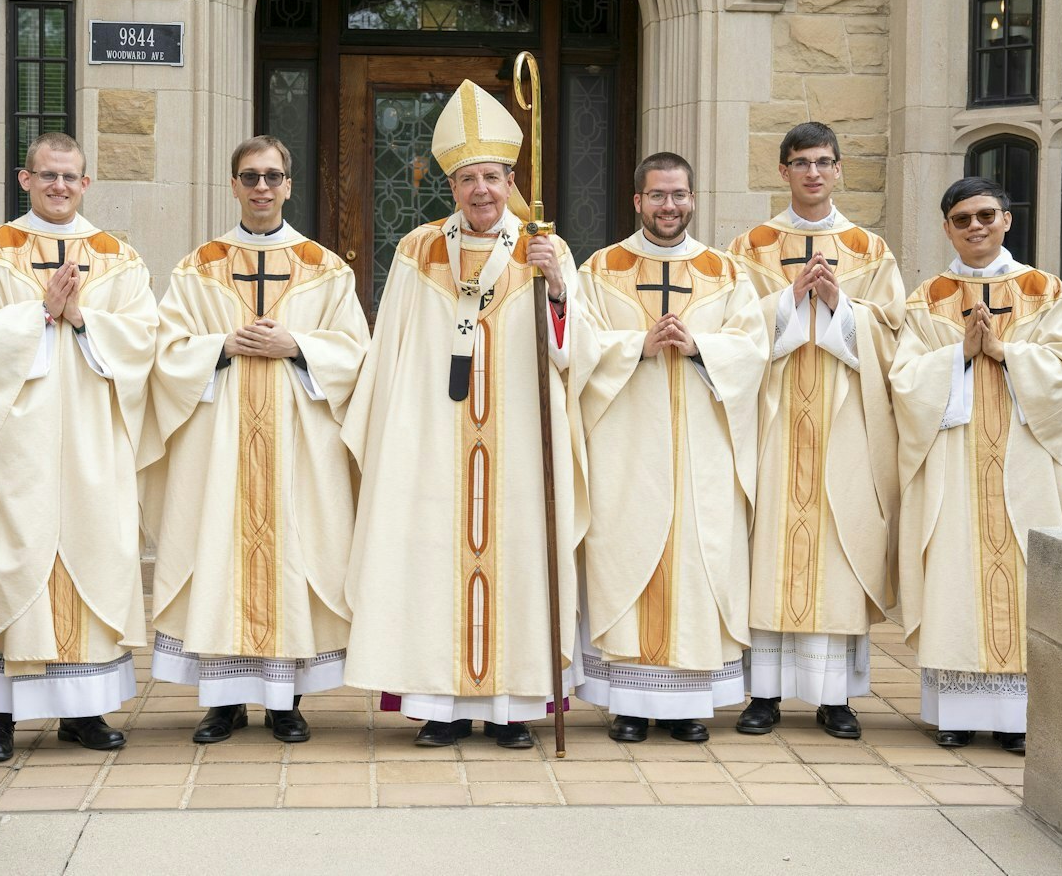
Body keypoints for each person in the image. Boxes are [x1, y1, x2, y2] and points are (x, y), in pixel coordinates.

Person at [341, 80, 581, 750]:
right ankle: (440, 705)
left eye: (494, 177)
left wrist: (557, 287)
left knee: (520, 560)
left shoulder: (543, 247)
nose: (482, 189)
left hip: (519, 446)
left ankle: (511, 710)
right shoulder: (419, 249)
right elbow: (394, 349)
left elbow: (574, 350)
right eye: (469, 177)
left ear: (512, 180)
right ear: (452, 185)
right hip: (436, 443)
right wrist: (398, 436)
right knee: (431, 560)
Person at [0, 131, 158, 763]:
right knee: (13, 554)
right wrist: (37, 312)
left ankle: (84, 711)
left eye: (71, 176)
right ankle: (0, 713)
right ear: (24, 178)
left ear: (87, 183)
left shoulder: (116, 256)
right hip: (14, 441)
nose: (60, 185)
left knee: (95, 548)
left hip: (92, 433)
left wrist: (83, 318)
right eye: (48, 174)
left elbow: (144, 339)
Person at [139, 135, 369, 745]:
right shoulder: (198, 267)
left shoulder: (325, 267)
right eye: (250, 177)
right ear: (234, 185)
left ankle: (286, 701)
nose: (261, 187)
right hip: (219, 448)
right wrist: (220, 345)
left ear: (289, 185)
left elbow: (356, 352)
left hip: (299, 446)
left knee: (294, 557)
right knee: (218, 554)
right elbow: (164, 351)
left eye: (272, 176)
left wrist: (296, 346)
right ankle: (223, 701)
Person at [890, 176, 1062, 754]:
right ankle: (953, 712)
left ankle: (1016, 718)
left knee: (1025, 570)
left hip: (1025, 455)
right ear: (947, 228)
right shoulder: (928, 297)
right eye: (962, 219)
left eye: (986, 215)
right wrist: (959, 352)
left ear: (1008, 219)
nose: (976, 227)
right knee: (955, 569)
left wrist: (1004, 352)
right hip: (955, 456)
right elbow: (904, 382)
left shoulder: (1043, 290)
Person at [574, 152, 766, 743]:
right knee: (627, 552)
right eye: (657, 196)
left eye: (679, 195)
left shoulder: (726, 271)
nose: (669, 206)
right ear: (637, 201)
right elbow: (575, 346)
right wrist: (639, 345)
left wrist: (702, 346)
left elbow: (752, 346)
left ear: (692, 199)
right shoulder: (600, 270)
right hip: (627, 450)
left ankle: (688, 706)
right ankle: (628, 702)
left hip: (703, 453)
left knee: (700, 560)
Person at [728, 121, 904, 741]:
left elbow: (894, 334)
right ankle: (765, 693)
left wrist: (839, 307)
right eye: (800, 162)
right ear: (783, 170)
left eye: (823, 162)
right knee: (771, 544)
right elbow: (732, 330)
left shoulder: (869, 249)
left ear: (837, 170)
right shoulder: (748, 247)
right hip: (775, 423)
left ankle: (836, 698)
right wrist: (785, 303)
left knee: (839, 545)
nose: (812, 173)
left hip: (843, 423)